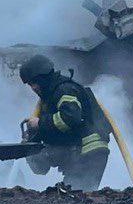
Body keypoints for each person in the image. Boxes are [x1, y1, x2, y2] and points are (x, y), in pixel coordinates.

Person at [18, 53, 111, 190]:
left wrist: (40, 124)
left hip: (88, 152)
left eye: (33, 82)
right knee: (73, 196)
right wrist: (30, 144)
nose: (33, 88)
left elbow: (71, 118)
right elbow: (41, 169)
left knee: (77, 197)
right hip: (77, 154)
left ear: (42, 77)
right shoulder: (49, 99)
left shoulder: (64, 90)